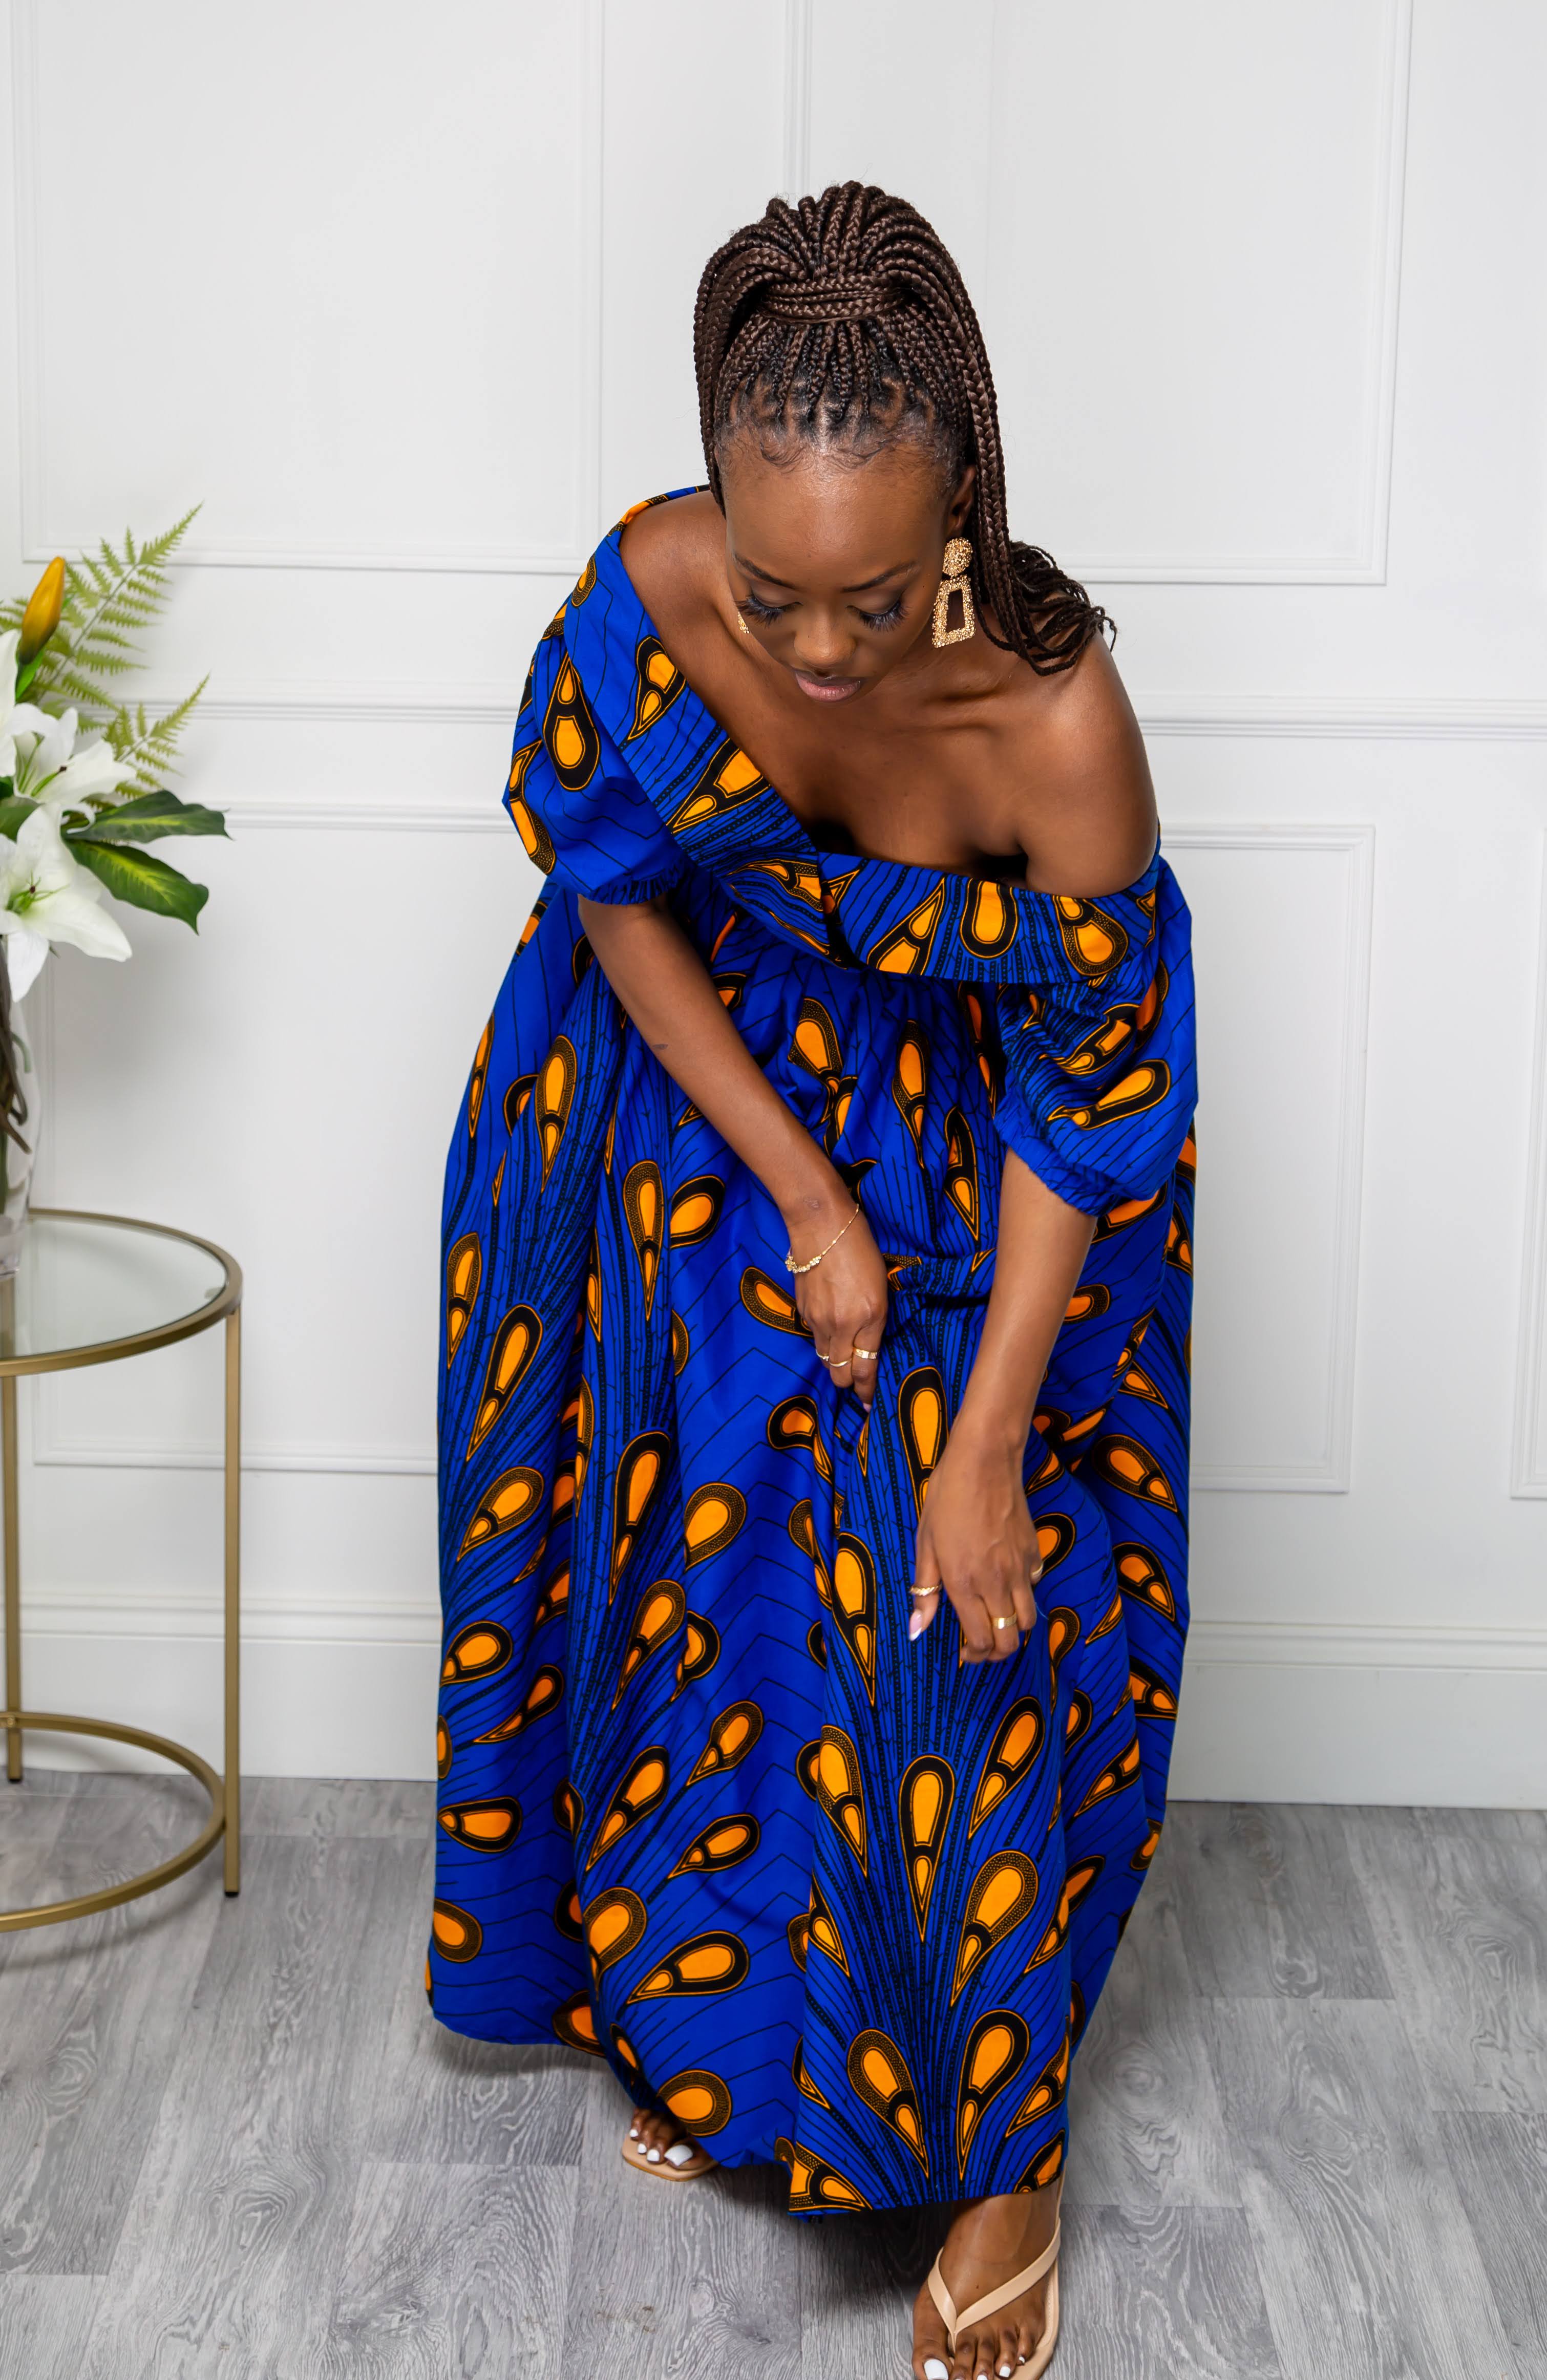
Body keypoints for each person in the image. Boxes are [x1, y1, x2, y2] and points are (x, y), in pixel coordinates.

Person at [432, 182, 1195, 2380]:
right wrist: (801, 1199)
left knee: (953, 1608)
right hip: (671, 1086)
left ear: (963, 490)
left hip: (995, 1148)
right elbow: (609, 875)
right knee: (695, 1558)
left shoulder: (1055, 718)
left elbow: (1093, 1096)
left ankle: (1001, 2146)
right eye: (777, 596)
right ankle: (714, 2027)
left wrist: (982, 1438)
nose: (825, 650)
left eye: (874, 593)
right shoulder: (654, 582)